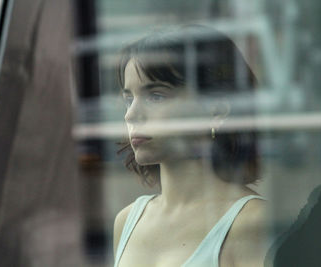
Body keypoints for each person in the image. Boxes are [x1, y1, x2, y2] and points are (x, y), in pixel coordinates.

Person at [113, 25, 269, 267]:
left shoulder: (251, 224)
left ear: (216, 109)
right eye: (128, 99)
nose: (131, 115)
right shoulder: (126, 221)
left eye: (156, 96)